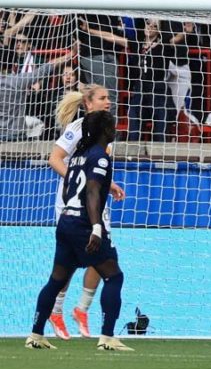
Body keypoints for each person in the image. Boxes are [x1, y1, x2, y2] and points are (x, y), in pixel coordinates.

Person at [26, 110, 133, 352]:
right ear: (105, 131)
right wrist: (96, 227)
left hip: (66, 220)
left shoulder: (76, 156)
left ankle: (35, 334)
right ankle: (107, 337)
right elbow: (93, 191)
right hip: (84, 225)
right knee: (114, 276)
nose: (115, 129)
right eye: (112, 126)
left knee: (56, 280)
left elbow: (67, 190)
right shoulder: (100, 157)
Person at [45, 85, 125, 340]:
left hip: (95, 201)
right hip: (71, 202)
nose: (108, 101)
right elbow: (55, 158)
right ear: (88, 103)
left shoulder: (103, 129)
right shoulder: (77, 128)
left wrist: (107, 185)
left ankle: (81, 309)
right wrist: (77, 177)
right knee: (68, 262)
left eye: (109, 97)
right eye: (103, 98)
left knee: (102, 253)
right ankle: (56, 311)